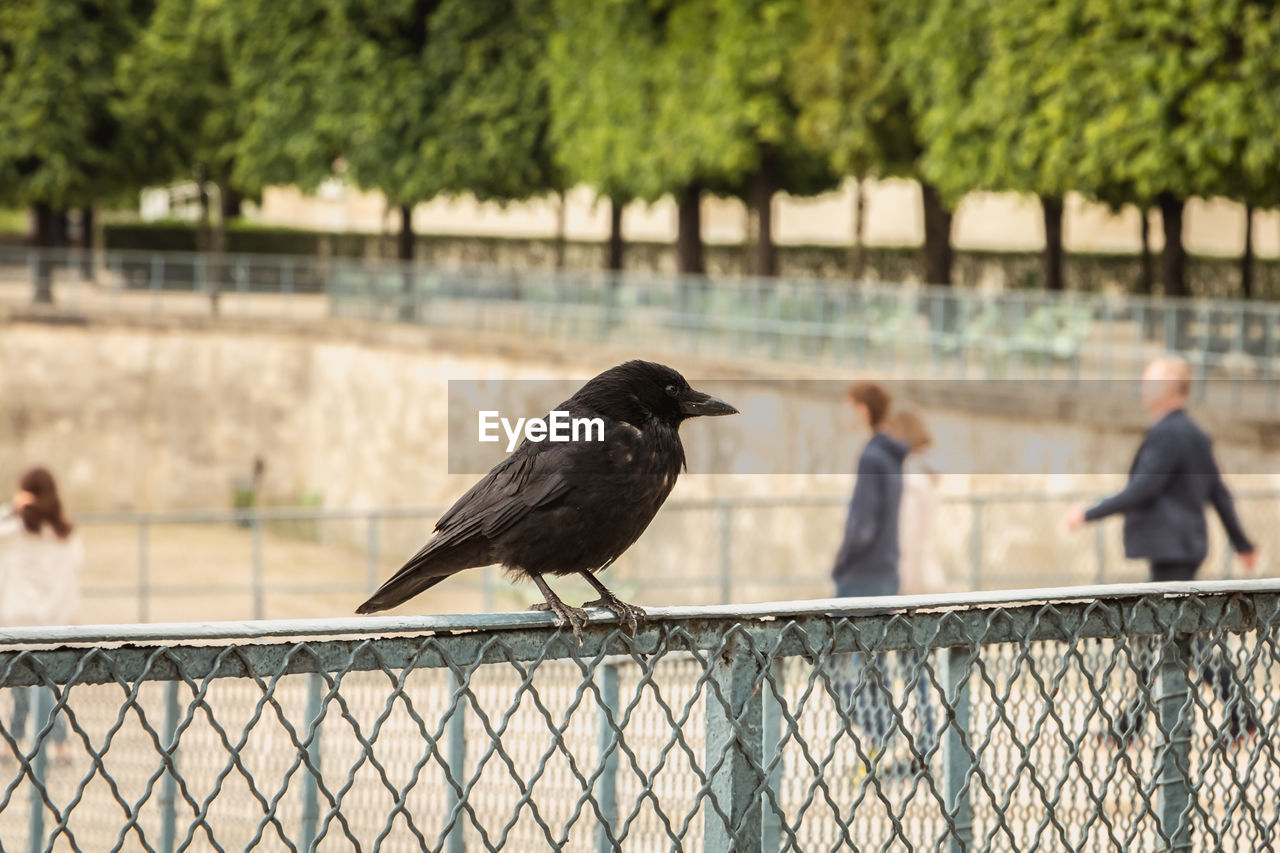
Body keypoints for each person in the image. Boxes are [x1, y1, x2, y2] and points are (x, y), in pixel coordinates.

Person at [1065, 356, 1258, 746]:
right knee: (1171, 638)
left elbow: (1144, 488)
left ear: (1171, 388)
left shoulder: (1170, 435)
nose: (1143, 387)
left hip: (1173, 548)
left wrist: (1089, 512)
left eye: (1151, 381)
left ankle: (1237, 718)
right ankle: (1136, 726)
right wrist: (1242, 543)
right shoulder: (1192, 435)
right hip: (1181, 546)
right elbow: (1218, 492)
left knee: (1175, 638)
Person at [832, 382, 909, 752]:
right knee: (872, 665)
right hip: (885, 572)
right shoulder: (890, 455)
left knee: (832, 662)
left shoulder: (871, 457)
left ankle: (884, 737)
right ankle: (888, 740)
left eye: (847, 406)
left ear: (862, 410)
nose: (842, 414)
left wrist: (842, 561)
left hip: (861, 576)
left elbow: (863, 526)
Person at [0, 467, 83, 763]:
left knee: (27, 685)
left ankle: (54, 745)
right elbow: (74, 573)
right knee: (36, 685)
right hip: (53, 621)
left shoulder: (14, 531)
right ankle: (17, 743)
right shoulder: (64, 534)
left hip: (19, 619)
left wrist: (13, 508)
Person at [884, 409, 943, 756]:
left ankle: (922, 742)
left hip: (912, 584)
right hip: (924, 579)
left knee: (912, 669)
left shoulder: (909, 479)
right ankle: (924, 739)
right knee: (916, 669)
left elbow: (906, 540)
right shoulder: (923, 474)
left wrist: (899, 590)